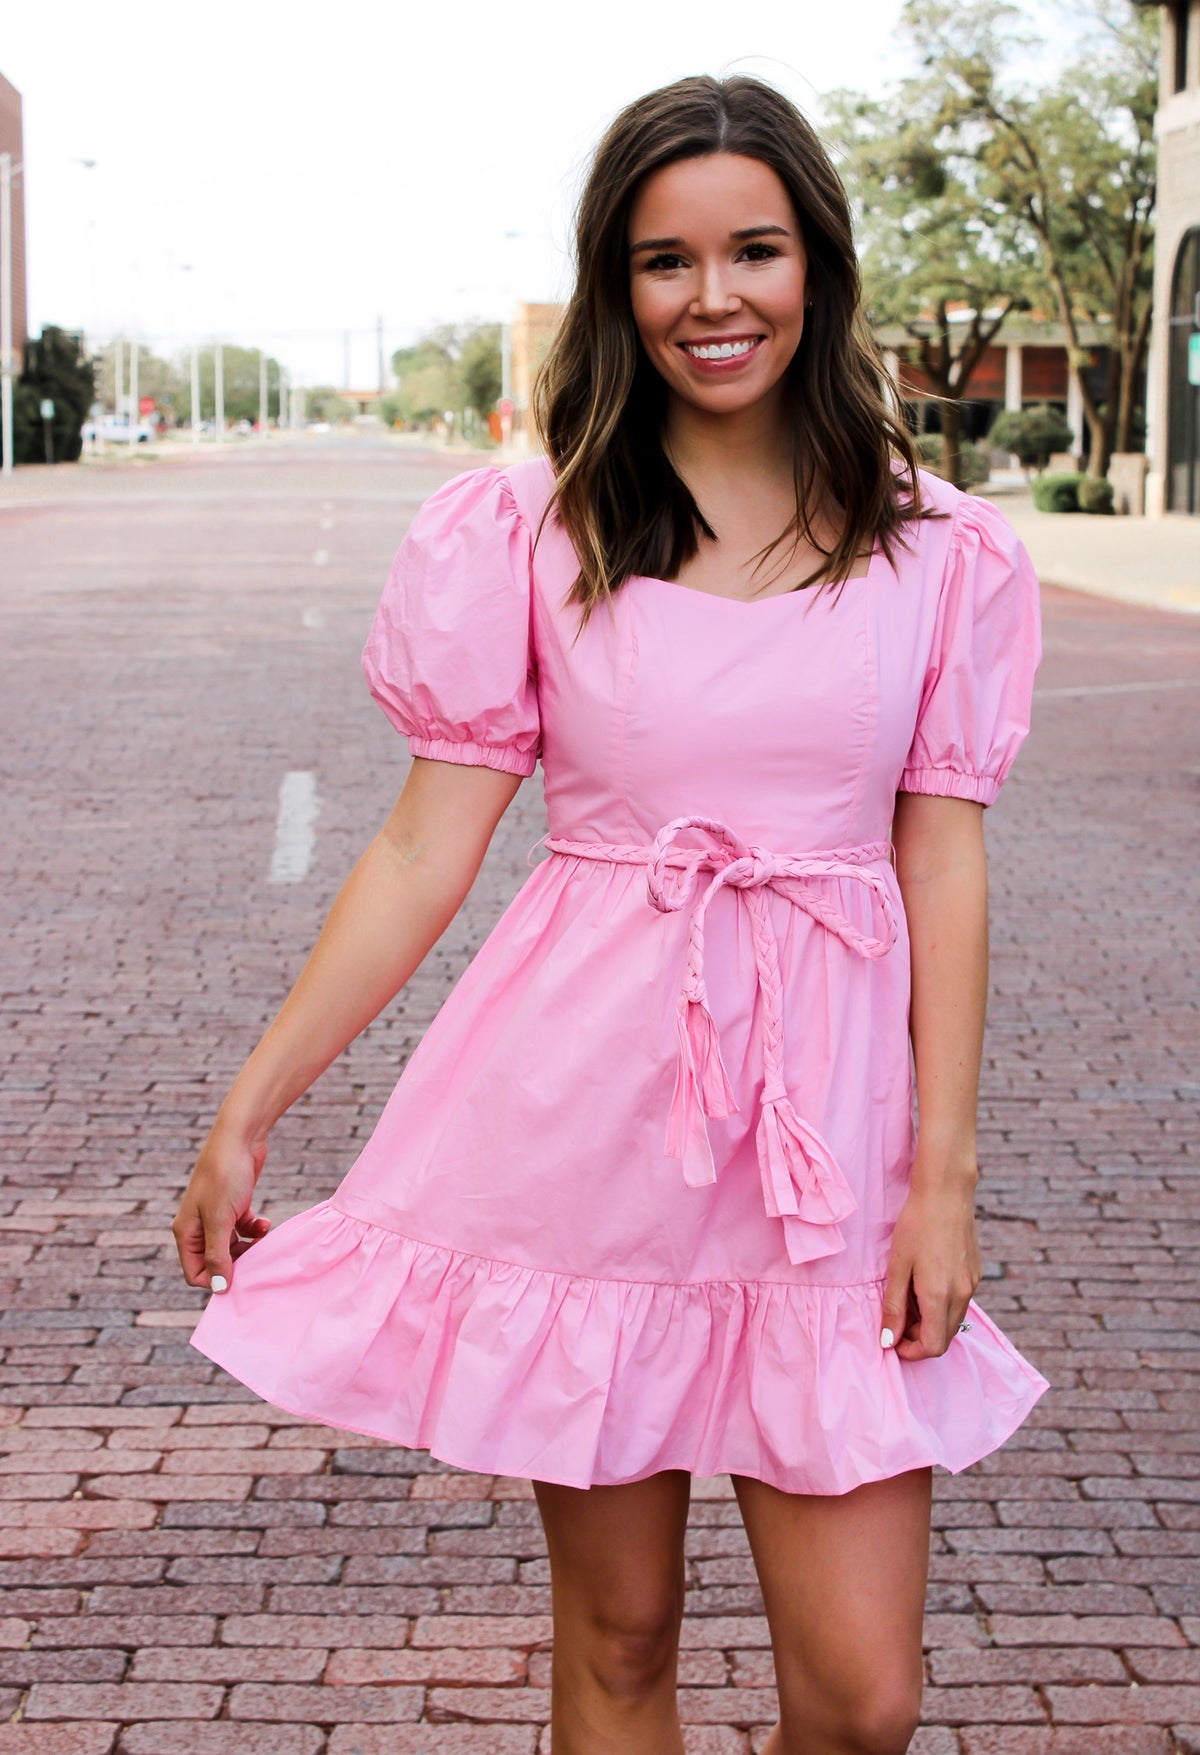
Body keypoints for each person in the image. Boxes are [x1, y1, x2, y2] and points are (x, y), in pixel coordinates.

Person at [177, 73, 1049, 1755]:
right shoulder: (531, 525)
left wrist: (939, 1179)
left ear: (820, 266)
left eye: (754, 252)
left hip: (827, 1161)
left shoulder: (941, 551)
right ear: (615, 285)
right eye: (665, 261)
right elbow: (428, 848)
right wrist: (252, 1104)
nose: (713, 299)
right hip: (593, 1126)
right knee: (624, 1637)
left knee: (865, 1703)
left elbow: (943, 857)